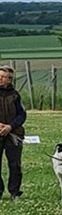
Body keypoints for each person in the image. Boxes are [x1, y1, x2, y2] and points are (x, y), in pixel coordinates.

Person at [0, 66, 26, 201]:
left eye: (2, 77)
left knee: (15, 165)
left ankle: (14, 192)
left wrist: (10, 126)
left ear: (9, 79)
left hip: (13, 134)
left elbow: (22, 115)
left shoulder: (15, 95)